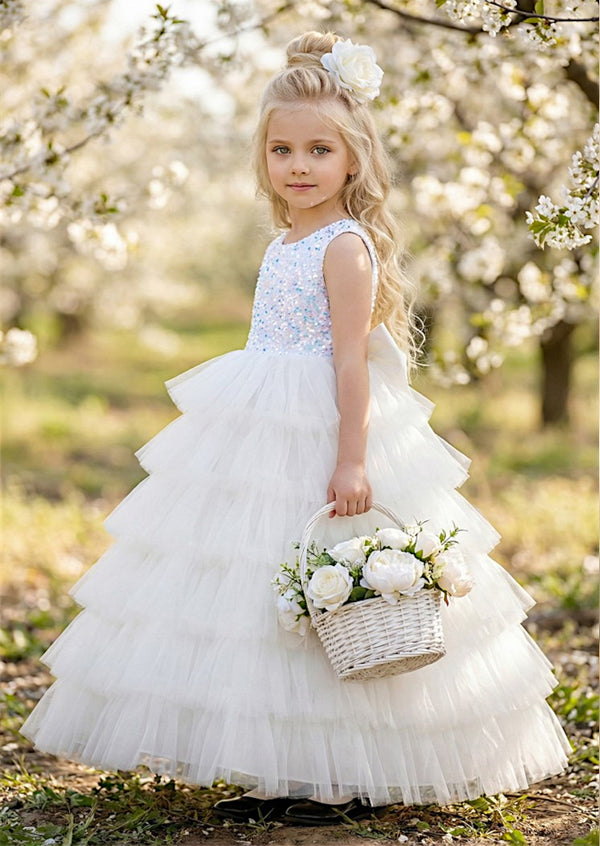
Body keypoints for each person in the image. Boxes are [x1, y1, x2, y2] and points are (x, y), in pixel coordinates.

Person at [20, 30, 571, 828]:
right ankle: (285, 760)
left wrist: (353, 462)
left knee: (330, 590)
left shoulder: (345, 247)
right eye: (282, 150)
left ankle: (342, 773)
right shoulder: (285, 242)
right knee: (263, 590)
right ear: (264, 157)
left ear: (354, 159)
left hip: (320, 428)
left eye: (320, 150)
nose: (299, 166)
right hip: (256, 425)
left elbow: (353, 363)